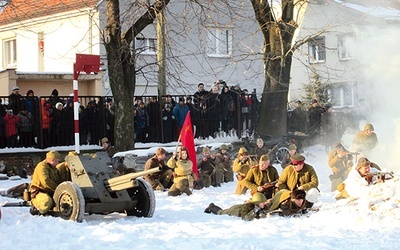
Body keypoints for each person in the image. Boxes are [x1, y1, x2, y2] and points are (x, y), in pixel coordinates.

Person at [29, 150, 70, 215]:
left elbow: (57, 179)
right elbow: (45, 181)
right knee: (47, 202)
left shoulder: (53, 168)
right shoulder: (42, 166)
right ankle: (35, 205)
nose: (58, 163)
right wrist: (58, 190)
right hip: (40, 191)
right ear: (53, 160)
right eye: (57, 161)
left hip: (50, 191)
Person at [203, 192, 268, 221]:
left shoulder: (258, 206)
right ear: (257, 202)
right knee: (221, 212)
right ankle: (211, 207)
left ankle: (213, 206)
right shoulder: (248, 206)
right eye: (262, 202)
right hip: (235, 210)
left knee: (223, 210)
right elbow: (245, 218)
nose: (264, 204)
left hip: (238, 207)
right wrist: (254, 211)